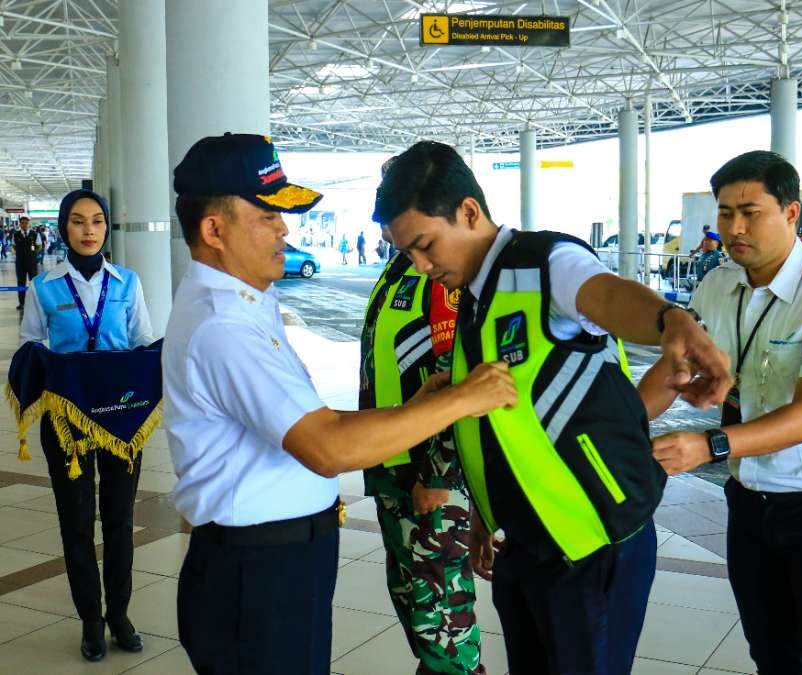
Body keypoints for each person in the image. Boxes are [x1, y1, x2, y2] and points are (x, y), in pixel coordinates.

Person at [373, 140, 731, 675]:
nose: (421, 266)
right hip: (527, 544)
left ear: (469, 212)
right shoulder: (474, 295)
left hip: (590, 545)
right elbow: (504, 423)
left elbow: (605, 295)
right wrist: (483, 513)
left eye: (426, 245)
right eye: (407, 255)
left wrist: (668, 320)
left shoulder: (544, 262)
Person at [164, 133, 517, 675]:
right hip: (256, 573)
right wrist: (463, 400)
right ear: (214, 229)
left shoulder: (248, 304)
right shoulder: (224, 326)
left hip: (276, 562)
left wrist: (413, 407)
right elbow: (325, 446)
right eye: (267, 215)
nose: (285, 228)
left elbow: (312, 422)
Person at [643, 150, 802, 674]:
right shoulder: (717, 284)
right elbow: (672, 370)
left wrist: (708, 446)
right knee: (771, 650)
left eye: (751, 211)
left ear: (792, 213)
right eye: (725, 213)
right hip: (751, 498)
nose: (735, 227)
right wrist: (624, 426)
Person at [19, 189, 154, 662]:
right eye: (78, 222)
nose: (89, 230)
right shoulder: (44, 287)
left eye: (97, 221)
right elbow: (30, 347)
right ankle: (91, 621)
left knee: (119, 520)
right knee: (76, 523)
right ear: (64, 228)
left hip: (120, 417)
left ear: (106, 226)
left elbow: (142, 343)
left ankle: (119, 613)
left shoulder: (128, 283)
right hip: (67, 421)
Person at [359, 216, 483, 670]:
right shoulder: (398, 267)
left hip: (429, 474)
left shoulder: (439, 272)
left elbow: (456, 379)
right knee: (412, 599)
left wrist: (438, 473)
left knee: (441, 615)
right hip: (392, 464)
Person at [13, 216, 38, 309]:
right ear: (20, 224)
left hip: (32, 263)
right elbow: (13, 245)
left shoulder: (34, 234)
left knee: (34, 283)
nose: (24, 224)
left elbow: (39, 246)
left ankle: (34, 303)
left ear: (29, 224)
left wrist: (33, 254)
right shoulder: (16, 234)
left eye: (26, 223)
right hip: (20, 263)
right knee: (20, 283)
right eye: (22, 223)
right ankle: (21, 303)